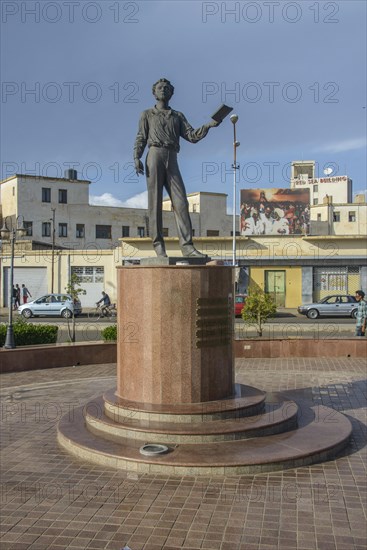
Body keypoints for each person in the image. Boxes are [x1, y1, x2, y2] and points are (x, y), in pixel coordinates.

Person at [134, 78, 220, 258]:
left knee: (181, 203)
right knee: (155, 202)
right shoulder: (147, 114)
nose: (163, 90)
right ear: (154, 92)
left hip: (172, 157)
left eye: (167, 88)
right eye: (159, 88)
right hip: (154, 154)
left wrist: (208, 125)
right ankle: (158, 246)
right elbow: (141, 137)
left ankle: (187, 246)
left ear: (172, 93)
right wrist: (137, 156)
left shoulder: (178, 116)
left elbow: (192, 136)